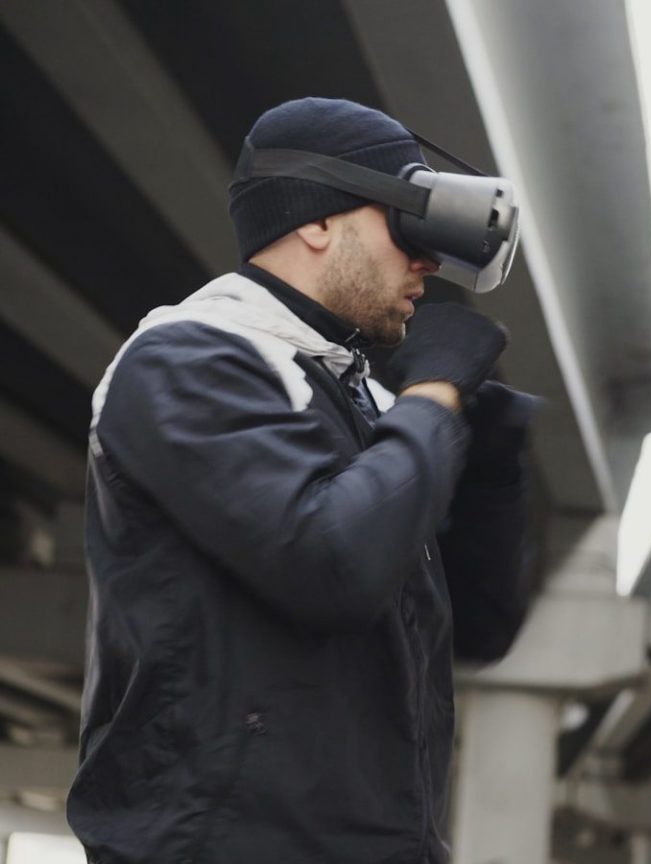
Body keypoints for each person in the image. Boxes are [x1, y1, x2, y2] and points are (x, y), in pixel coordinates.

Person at [66, 97, 535, 863]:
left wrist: (487, 451)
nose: (426, 260)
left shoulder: (352, 396)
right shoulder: (188, 360)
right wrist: (431, 399)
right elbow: (330, 561)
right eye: (406, 225)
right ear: (316, 221)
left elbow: (482, 627)